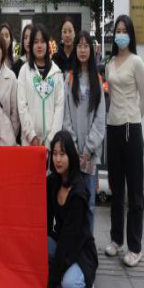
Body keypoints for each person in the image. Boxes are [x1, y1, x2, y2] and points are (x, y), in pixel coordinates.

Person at [105, 15, 144, 268]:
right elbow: (111, 96)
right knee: (115, 188)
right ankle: (115, 239)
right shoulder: (110, 63)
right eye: (117, 30)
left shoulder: (136, 62)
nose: (120, 34)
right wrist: (118, 119)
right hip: (113, 129)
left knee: (134, 192)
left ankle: (135, 247)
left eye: (124, 30)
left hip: (132, 130)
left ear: (131, 34)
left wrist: (132, 119)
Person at [47, 131, 98, 288]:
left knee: (70, 286)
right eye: (54, 154)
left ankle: (87, 287)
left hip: (81, 249)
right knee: (39, 244)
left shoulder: (78, 193)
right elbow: (47, 223)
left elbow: (68, 241)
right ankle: (62, 273)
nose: (57, 159)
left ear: (71, 156)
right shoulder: (52, 182)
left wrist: (52, 285)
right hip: (62, 242)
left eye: (62, 154)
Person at [63, 31, 106, 233]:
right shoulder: (69, 79)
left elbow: (100, 120)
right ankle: (73, 241)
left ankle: (88, 244)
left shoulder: (97, 80)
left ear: (91, 50)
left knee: (89, 203)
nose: (82, 50)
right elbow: (66, 117)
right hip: (73, 154)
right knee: (72, 201)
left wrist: (87, 150)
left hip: (90, 156)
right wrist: (73, 148)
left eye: (86, 46)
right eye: (79, 46)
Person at [18, 24, 65, 150]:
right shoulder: (24, 71)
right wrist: (31, 136)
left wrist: (50, 141)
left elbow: (59, 107)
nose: (39, 45)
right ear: (31, 45)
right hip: (29, 142)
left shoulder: (56, 73)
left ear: (47, 44)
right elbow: (22, 106)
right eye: (36, 42)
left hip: (51, 146)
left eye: (43, 41)